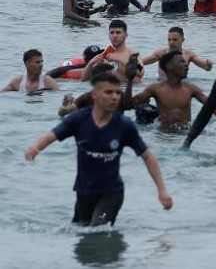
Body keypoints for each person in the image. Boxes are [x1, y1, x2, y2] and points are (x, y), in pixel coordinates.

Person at [25, 72, 173, 226]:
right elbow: (52, 135)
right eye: (109, 92)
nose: (115, 97)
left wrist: (162, 190)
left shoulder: (124, 125)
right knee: (81, 237)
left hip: (112, 192)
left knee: (98, 230)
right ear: (94, 94)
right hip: (83, 191)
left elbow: (147, 156)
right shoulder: (79, 119)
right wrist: (35, 148)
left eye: (117, 92)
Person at [122, 51, 216, 128]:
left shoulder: (191, 89)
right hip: (163, 134)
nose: (186, 65)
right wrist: (130, 81)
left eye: (185, 62)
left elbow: (212, 106)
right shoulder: (155, 89)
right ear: (169, 67)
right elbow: (129, 104)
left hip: (184, 132)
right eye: (181, 62)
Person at [139, 27, 213, 76]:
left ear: (183, 40)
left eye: (175, 40)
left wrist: (209, 64)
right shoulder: (161, 53)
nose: (171, 42)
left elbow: (206, 67)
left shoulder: (189, 54)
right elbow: (141, 62)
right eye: (169, 39)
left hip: (181, 85)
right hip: (163, 84)